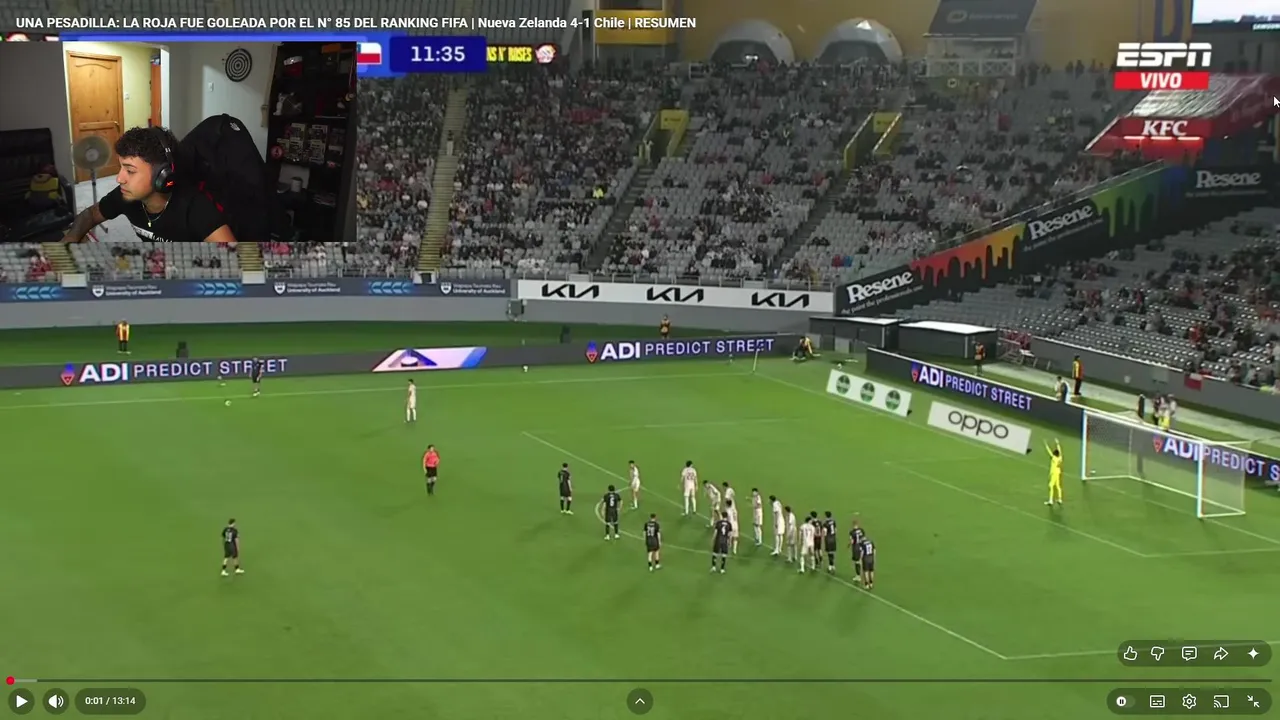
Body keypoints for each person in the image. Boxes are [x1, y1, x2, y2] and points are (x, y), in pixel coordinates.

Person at [61, 127, 236, 244]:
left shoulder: (196, 209)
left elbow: (236, 264)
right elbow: (91, 214)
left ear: (163, 175)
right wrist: (70, 239)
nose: (119, 178)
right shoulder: (126, 195)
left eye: (130, 171)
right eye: (121, 167)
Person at [1045, 439, 1064, 506]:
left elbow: (1049, 452)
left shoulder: (1054, 458)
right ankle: (1060, 499)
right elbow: (1060, 451)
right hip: (1058, 472)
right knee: (1058, 486)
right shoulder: (1060, 458)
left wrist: (1046, 446)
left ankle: (1050, 500)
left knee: (1051, 485)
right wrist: (1057, 443)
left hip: (1054, 473)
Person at [849, 518, 866, 584]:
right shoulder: (861, 530)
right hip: (862, 546)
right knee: (860, 560)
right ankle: (863, 574)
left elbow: (852, 541)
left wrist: (849, 545)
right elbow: (864, 538)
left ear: (853, 525)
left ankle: (858, 576)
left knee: (856, 562)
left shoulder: (852, 532)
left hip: (856, 547)